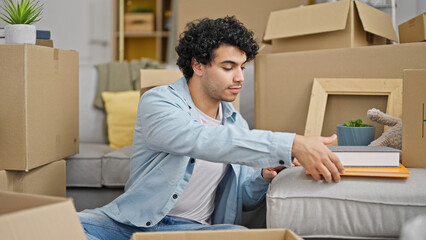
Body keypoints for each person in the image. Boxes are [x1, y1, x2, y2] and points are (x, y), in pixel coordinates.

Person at [78, 16, 344, 240]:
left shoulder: (235, 122)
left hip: (192, 231)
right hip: (130, 226)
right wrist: (290, 143)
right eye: (228, 67)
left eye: (242, 67)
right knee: (57, 227)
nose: (239, 77)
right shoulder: (159, 102)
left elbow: (243, 197)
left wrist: (264, 175)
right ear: (198, 65)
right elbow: (200, 139)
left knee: (242, 234)